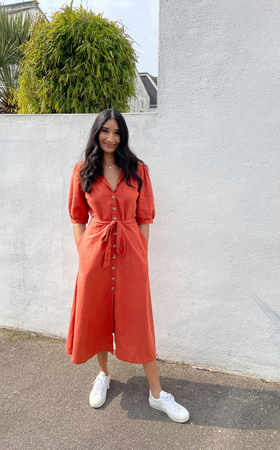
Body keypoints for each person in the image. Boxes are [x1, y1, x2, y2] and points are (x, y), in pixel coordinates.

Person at [66, 108, 189, 423]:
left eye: (117, 132)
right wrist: (84, 253)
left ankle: (157, 393)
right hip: (94, 255)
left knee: (139, 321)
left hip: (131, 256)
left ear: (123, 136)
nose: (111, 137)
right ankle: (103, 375)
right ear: (97, 133)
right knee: (97, 316)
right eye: (105, 131)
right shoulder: (82, 170)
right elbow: (78, 218)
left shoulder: (138, 170)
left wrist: (141, 255)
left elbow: (144, 217)